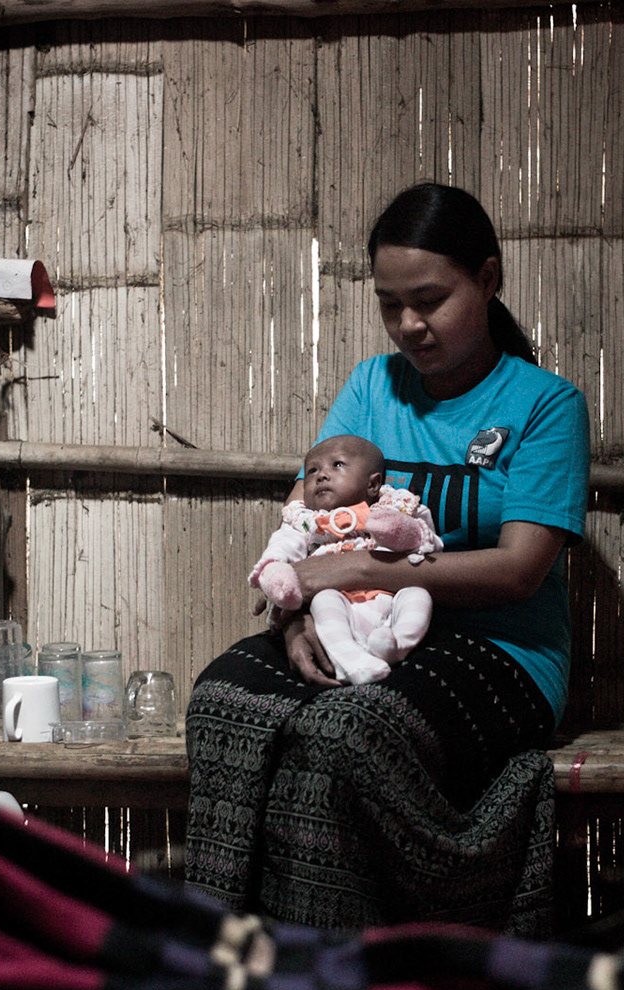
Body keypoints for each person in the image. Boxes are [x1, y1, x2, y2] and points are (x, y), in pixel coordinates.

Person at [183, 182, 592, 936]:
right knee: (223, 698)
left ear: (489, 280)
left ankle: (337, 983)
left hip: (505, 655)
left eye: (431, 299)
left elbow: (518, 571)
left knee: (343, 732)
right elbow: (307, 525)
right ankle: (213, 960)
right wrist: (297, 618)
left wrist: (360, 572)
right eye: (389, 304)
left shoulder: (545, 405)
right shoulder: (372, 387)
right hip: (358, 628)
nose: (410, 324)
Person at [248, 433, 443, 685]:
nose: (321, 475)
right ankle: (351, 661)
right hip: (339, 602)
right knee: (324, 600)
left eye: (337, 465)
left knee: (417, 595)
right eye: (312, 470)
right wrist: (274, 568)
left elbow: (429, 544)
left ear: (373, 485)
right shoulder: (307, 522)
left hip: (391, 597)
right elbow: (283, 544)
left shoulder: (397, 507)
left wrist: (401, 532)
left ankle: (397, 644)